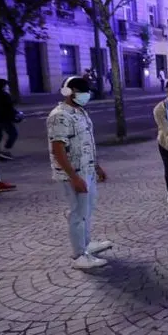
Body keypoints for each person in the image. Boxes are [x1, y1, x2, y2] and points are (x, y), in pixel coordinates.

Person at [47, 77, 110, 269]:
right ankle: (79, 256)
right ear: (68, 91)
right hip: (73, 174)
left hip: (87, 170)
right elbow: (58, 149)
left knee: (87, 210)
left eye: (87, 91)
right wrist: (74, 177)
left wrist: (96, 167)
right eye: (81, 91)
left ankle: (86, 244)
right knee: (78, 214)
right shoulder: (59, 116)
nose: (86, 95)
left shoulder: (80, 112)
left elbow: (86, 143)